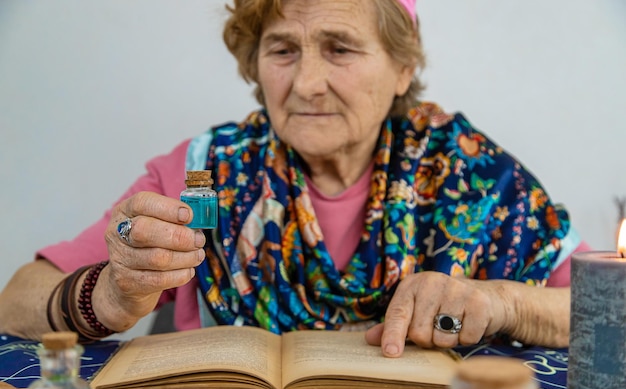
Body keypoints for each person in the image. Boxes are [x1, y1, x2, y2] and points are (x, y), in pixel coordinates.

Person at [0, 0, 587, 356]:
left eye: (339, 49)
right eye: (282, 50)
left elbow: (609, 307)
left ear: (403, 66)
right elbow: (16, 302)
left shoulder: (472, 172)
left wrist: (500, 301)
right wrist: (106, 293)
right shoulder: (204, 172)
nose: (306, 83)